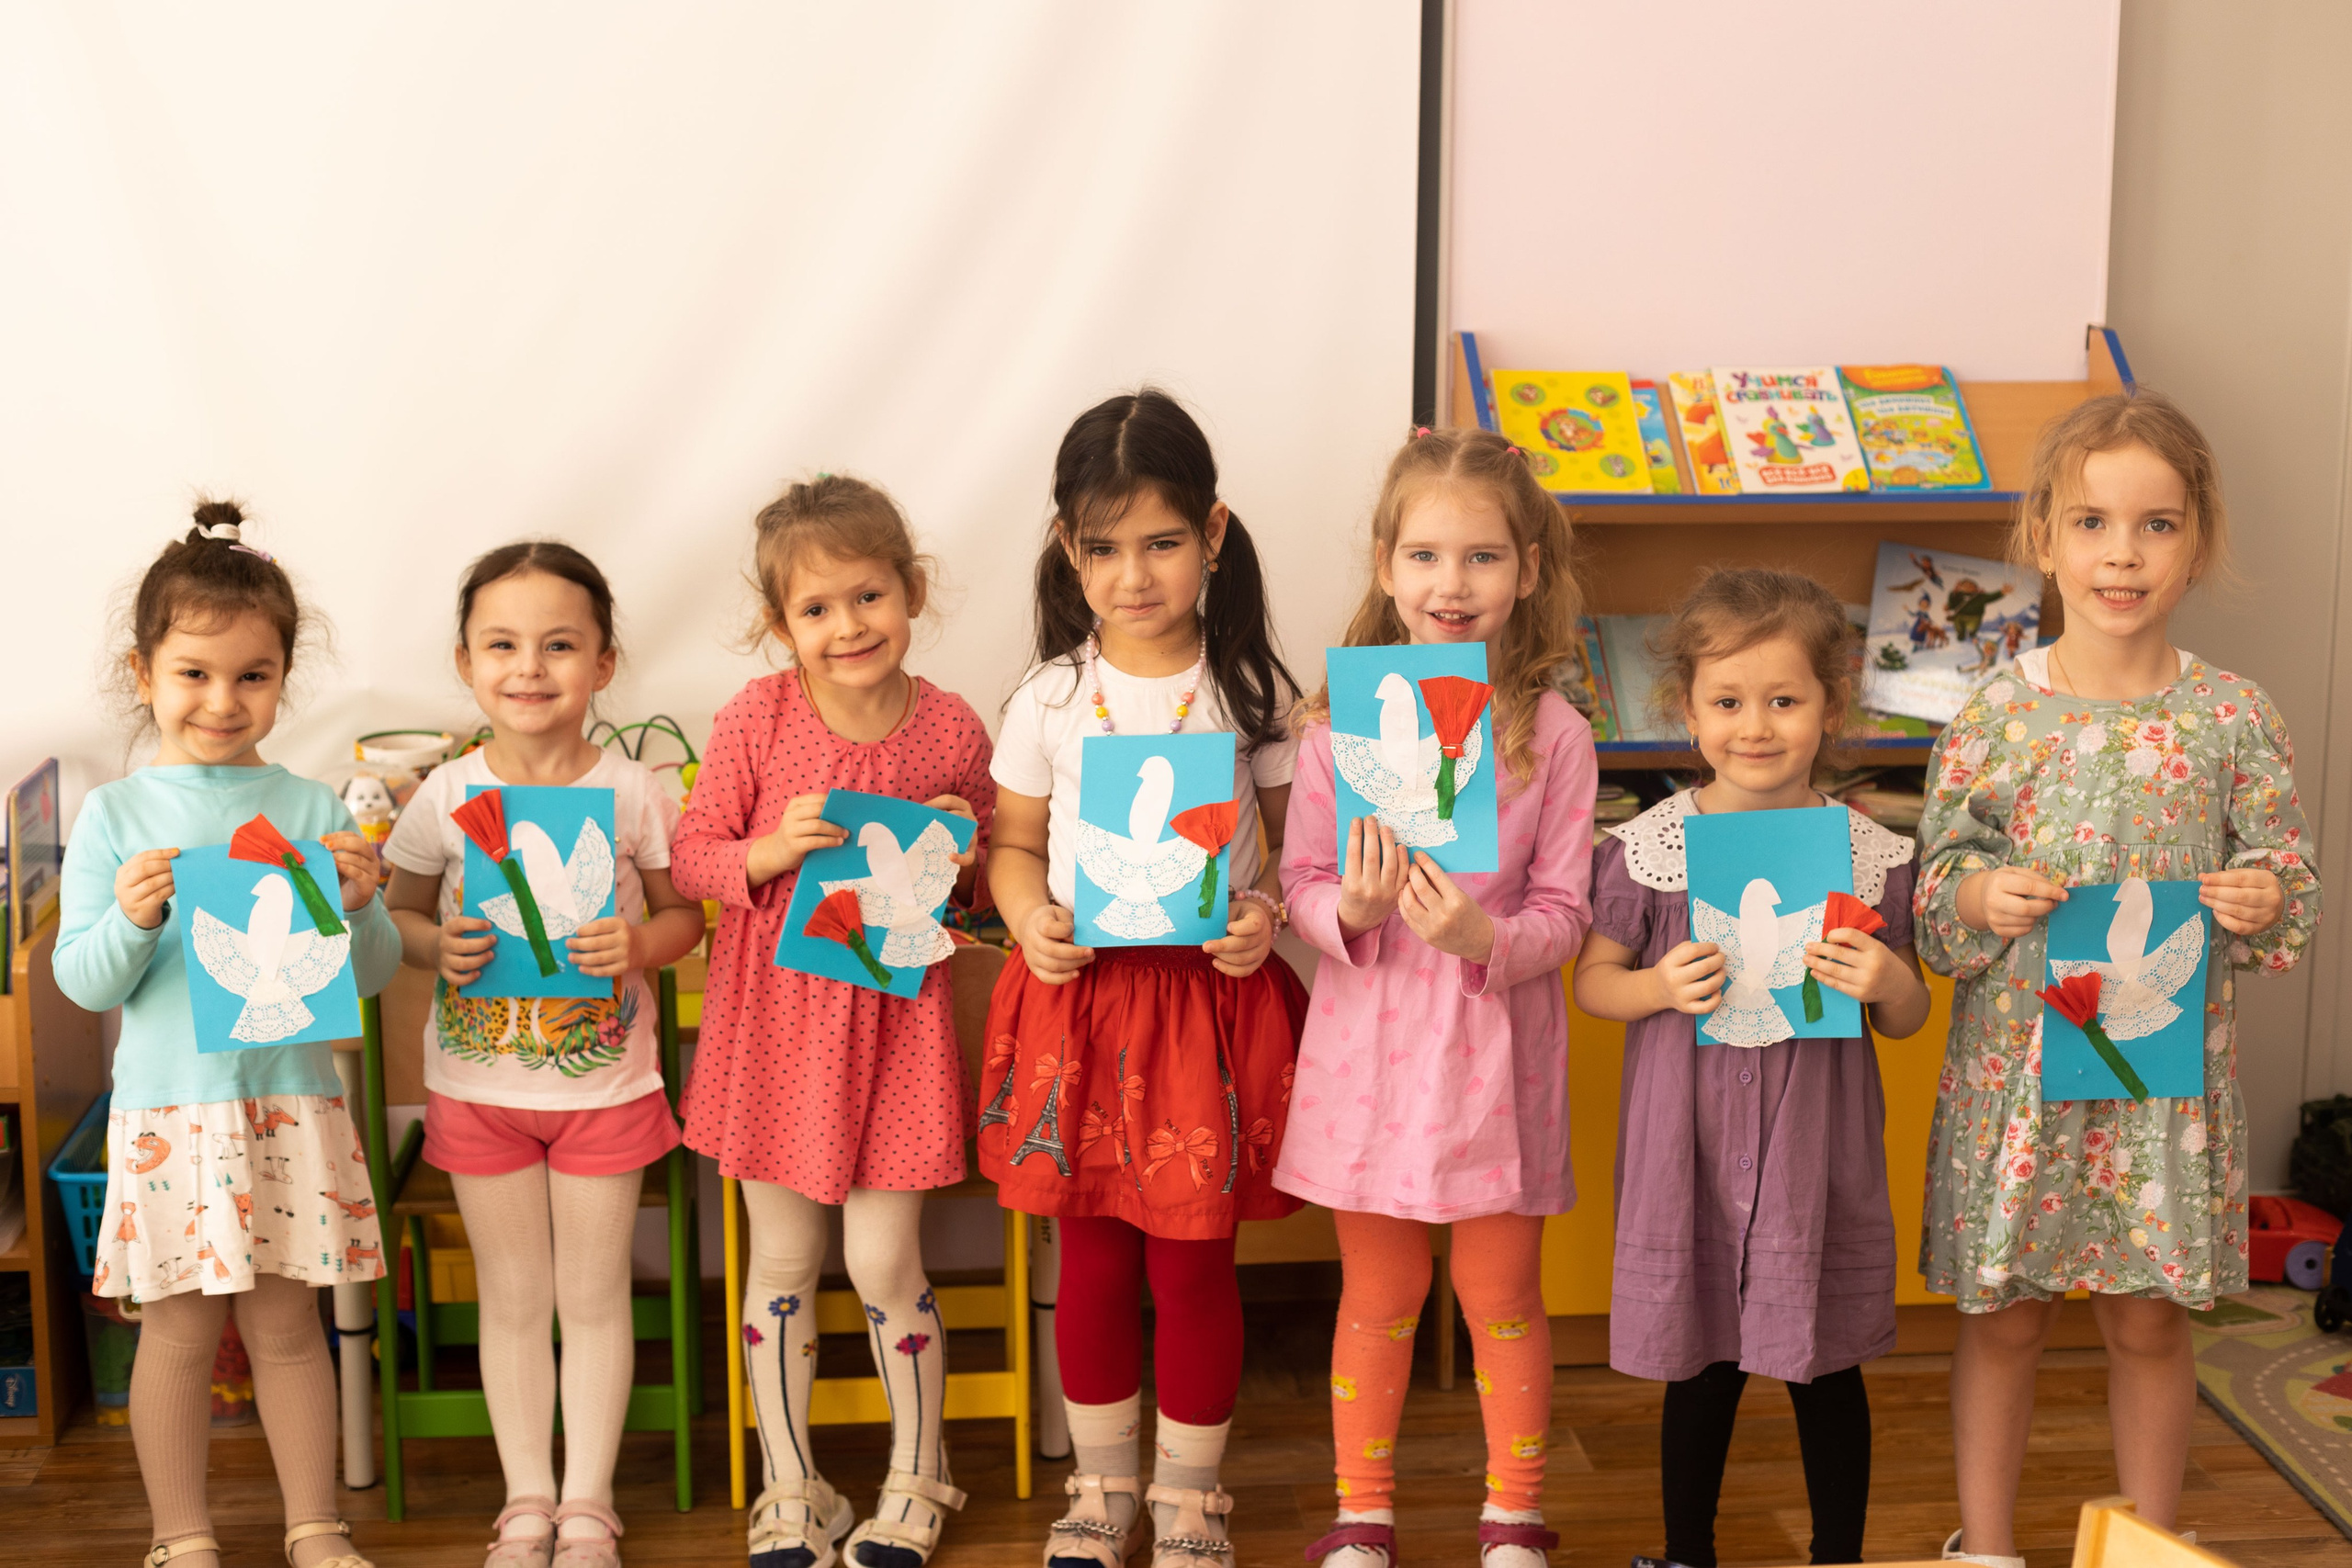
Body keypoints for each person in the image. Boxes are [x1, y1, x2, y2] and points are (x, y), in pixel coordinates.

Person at [1914, 391, 2319, 1568]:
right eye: (2091, 524)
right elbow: (1940, 893)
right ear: (2043, 536)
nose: (2121, 555)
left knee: (2148, 1322)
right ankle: (1983, 1549)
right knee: (2005, 1323)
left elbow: (2287, 880)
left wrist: (2259, 896)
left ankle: (2150, 1545)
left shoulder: (2233, 717)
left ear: (2197, 541)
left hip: (2162, 1095)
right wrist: (1982, 898)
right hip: (2018, 1086)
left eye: (2155, 525)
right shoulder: (1991, 715)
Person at [979, 389, 1306, 1568]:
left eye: (1162, 542)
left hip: (1208, 1007)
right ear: (1069, 547)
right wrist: (1027, 918)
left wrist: (1266, 914)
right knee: (1098, 1256)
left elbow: (1295, 851)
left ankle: (1188, 1499)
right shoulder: (1051, 698)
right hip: (1082, 1004)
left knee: (1193, 1256)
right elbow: (1010, 843)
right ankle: (1101, 1488)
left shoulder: (1253, 694)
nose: (1134, 575)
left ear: (1212, 536)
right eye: (1105, 547)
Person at [58, 501, 399, 1568]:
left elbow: (370, 977)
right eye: (196, 672)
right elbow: (83, 980)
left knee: (293, 1330)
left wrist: (361, 904)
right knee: (179, 1331)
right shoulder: (116, 815)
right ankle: (180, 1538)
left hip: (290, 1105)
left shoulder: (308, 807)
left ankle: (315, 1526)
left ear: (284, 678)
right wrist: (134, 916)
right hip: (171, 1116)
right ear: (144, 670)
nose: (223, 699)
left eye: (253, 675)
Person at [1277, 426, 1595, 1568]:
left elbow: (1565, 911)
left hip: (1493, 1060)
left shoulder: (1553, 735)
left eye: (1480, 559)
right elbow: (1298, 882)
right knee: (1378, 1290)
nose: (1449, 585)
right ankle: (1362, 1514)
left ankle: (1513, 1517)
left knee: (1502, 1291)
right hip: (1369, 1057)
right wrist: (1349, 915)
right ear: (1383, 564)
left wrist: (1484, 938)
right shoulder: (1331, 729)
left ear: (1526, 571)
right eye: (1423, 556)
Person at [1575, 568, 1929, 1568]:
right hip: (1686, 1150)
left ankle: (1837, 1556)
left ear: (1830, 708)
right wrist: (1654, 988)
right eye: (1727, 702)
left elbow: (1908, 1017)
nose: (1756, 726)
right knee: (1702, 1367)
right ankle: (1686, 1551)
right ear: (1686, 711)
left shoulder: (1870, 856)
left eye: (1785, 699)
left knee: (1826, 1370)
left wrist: (1885, 979)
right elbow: (1594, 983)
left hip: (1812, 1154)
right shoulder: (1647, 850)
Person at [670, 476, 993, 1568]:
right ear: (779, 626)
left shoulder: (949, 724)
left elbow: (989, 871)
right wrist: (765, 852)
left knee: (885, 1266)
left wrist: (964, 839)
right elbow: (692, 853)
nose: (845, 627)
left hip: (895, 1035)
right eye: (814, 610)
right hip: (775, 1035)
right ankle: (792, 1484)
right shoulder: (755, 718)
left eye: (866, 597)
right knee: (782, 1264)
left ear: (910, 591)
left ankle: (919, 1471)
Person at [383, 542, 707, 1568]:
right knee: (515, 1298)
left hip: (604, 1087)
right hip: (478, 1089)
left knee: (594, 1296)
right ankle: (526, 1501)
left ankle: (588, 1506)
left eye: (559, 645)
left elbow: (683, 916)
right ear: (467, 662)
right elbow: (395, 915)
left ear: (603, 664)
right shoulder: (443, 794)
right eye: (504, 645)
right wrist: (440, 943)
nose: (530, 667)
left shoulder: (633, 790)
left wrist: (640, 947)